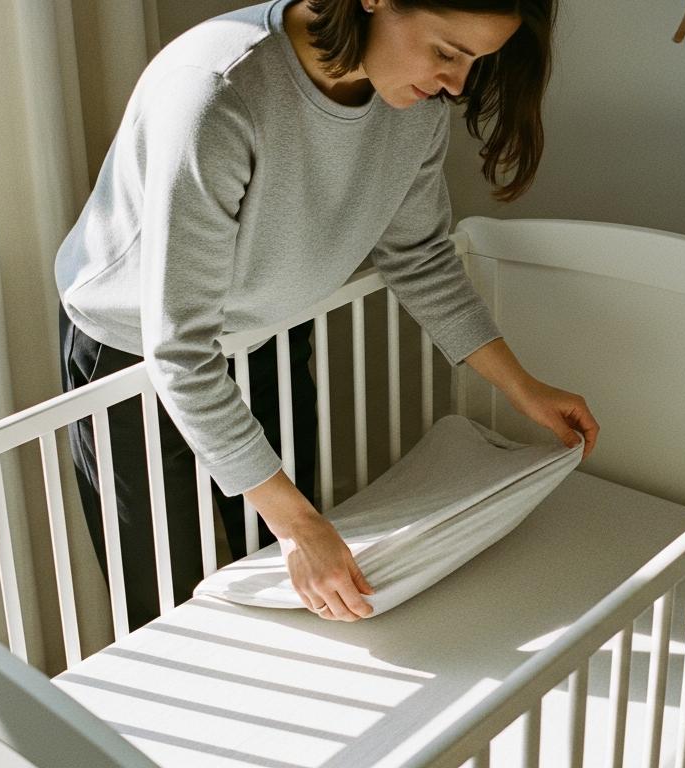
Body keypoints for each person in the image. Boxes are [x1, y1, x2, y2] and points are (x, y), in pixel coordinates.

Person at [55, 0, 599, 628]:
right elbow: (178, 348)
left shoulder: (414, 108)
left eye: (474, 62)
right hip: (136, 352)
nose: (456, 85)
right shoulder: (217, 93)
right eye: (447, 53)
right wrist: (296, 526)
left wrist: (522, 387)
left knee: (295, 574)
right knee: (164, 600)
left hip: (265, 331)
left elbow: (420, 257)